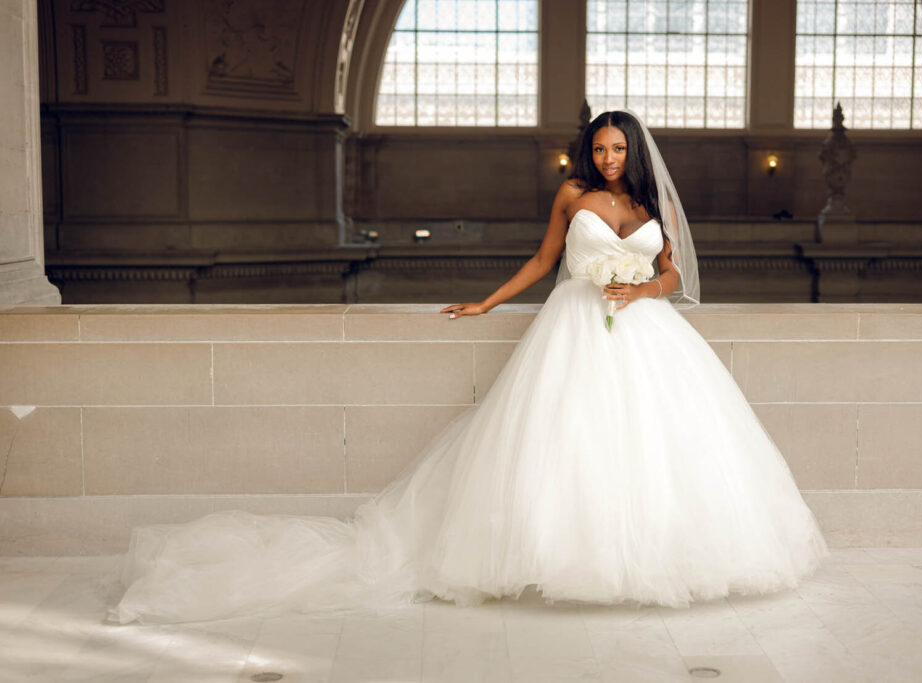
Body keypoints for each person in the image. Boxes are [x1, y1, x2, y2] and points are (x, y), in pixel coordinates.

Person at [110, 110, 828, 625]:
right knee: (564, 438)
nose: (608, 159)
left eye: (617, 149)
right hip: (575, 325)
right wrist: (488, 301)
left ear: (632, 150)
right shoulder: (572, 194)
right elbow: (545, 262)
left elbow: (674, 275)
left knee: (659, 445)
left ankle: (652, 560)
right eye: (599, 149)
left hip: (645, 330)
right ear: (589, 151)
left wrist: (640, 288)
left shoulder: (651, 202)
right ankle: (561, 560)